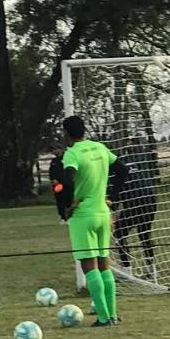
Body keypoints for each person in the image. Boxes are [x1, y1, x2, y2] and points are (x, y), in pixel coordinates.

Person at [60, 116, 128, 327]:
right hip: (102, 213)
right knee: (104, 264)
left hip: (83, 216)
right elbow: (123, 170)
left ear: (66, 134)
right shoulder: (100, 148)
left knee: (89, 266)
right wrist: (113, 197)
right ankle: (113, 315)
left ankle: (103, 318)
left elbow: (67, 180)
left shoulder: (72, 153)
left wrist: (68, 205)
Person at [113, 137, 158, 282]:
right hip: (150, 198)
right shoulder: (134, 163)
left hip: (135, 201)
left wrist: (113, 207)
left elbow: (114, 195)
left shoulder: (112, 169)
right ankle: (152, 271)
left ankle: (127, 272)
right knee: (144, 234)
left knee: (119, 234)